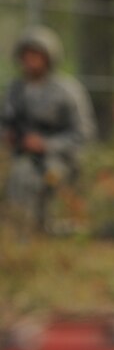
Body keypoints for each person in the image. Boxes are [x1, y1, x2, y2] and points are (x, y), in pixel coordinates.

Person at [1, 25, 96, 230]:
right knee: (18, 173)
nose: (30, 61)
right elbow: (6, 122)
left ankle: (44, 226)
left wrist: (46, 144)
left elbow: (84, 132)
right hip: (20, 156)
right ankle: (18, 226)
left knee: (35, 178)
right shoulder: (16, 90)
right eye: (27, 55)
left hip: (59, 160)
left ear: (49, 57)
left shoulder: (67, 91)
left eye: (36, 55)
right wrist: (9, 136)